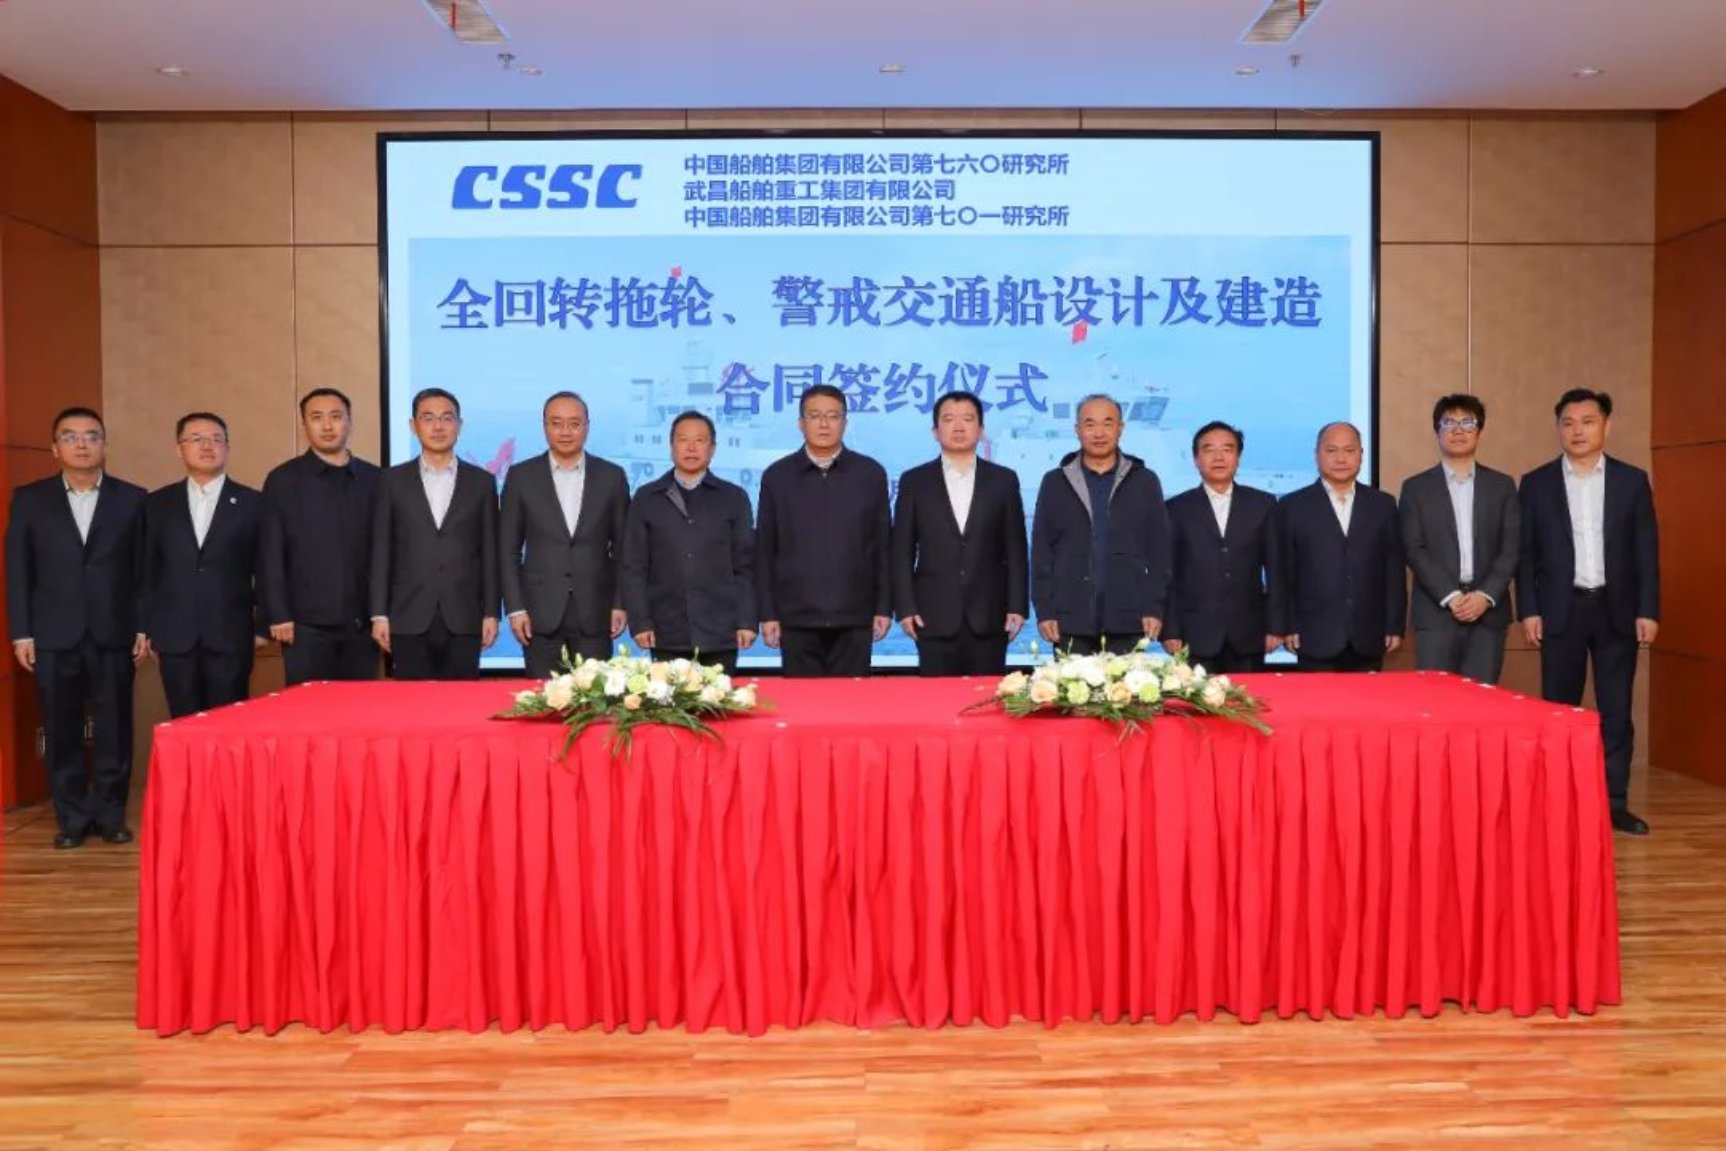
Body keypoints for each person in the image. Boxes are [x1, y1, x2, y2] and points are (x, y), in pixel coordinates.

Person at [5, 408, 149, 849]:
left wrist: (143, 626)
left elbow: (143, 571)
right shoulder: (30, 499)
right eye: (70, 437)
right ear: (55, 448)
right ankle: (71, 818)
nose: (82, 444)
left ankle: (110, 815)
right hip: (53, 634)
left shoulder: (133, 498)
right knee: (61, 728)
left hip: (114, 631)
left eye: (91, 436)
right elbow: (18, 570)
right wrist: (22, 632)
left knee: (114, 728)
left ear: (105, 445)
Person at [1518, 388, 1659, 836]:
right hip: (1561, 611)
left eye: (1588, 421)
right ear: (1558, 428)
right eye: (1568, 422)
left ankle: (1615, 803)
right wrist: (1529, 610)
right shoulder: (1536, 483)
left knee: (1616, 712)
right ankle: (1556, 802)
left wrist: (1648, 609)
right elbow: (1526, 555)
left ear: (1606, 426)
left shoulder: (1631, 481)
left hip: (1617, 610)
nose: (1577, 431)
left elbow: (1646, 551)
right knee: (1559, 712)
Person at [755, 384, 891, 676]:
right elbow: (765, 549)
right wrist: (768, 614)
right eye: (815, 416)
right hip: (796, 619)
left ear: (845, 422)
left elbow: (882, 546)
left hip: (855, 617)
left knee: (851, 701)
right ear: (800, 422)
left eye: (833, 416)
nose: (824, 424)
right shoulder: (778, 476)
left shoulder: (870, 474)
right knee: (801, 702)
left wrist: (883, 607)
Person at [891, 392, 1028, 675]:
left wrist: (1017, 605)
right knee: (936, 698)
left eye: (967, 419)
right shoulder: (914, 481)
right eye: (948, 419)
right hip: (932, 615)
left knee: (987, 696)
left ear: (981, 429)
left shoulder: (1003, 480)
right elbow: (902, 550)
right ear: (935, 431)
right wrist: (904, 607)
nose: (958, 426)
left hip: (990, 613)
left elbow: (1015, 548)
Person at [141, 412, 264, 717]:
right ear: (179, 449)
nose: (207, 446)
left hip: (231, 635)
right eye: (196, 439)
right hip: (175, 638)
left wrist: (262, 625)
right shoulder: (156, 504)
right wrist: (147, 628)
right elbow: (147, 571)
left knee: (229, 727)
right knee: (183, 724)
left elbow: (266, 569)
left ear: (228, 448)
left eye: (216, 439)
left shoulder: (254, 503)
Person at [370, 388, 499, 680]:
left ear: (459, 425)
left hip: (464, 617)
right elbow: (381, 550)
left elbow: (490, 552)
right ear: (413, 425)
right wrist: (379, 613)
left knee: (461, 702)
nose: (438, 427)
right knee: (412, 703)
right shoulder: (391, 481)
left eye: (446, 418)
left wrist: (491, 612)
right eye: (428, 418)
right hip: (407, 616)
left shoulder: (482, 482)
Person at [500, 391, 630, 676]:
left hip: (596, 612)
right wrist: (515, 608)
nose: (565, 432)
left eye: (574, 423)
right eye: (556, 423)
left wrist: (620, 603)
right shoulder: (521, 476)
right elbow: (508, 549)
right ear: (544, 426)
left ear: (587, 426)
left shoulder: (612, 476)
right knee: (542, 698)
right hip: (538, 614)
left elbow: (623, 548)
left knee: (595, 697)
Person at [1030, 394, 1171, 656]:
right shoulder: (1055, 482)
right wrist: (1045, 610)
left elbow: (1159, 552)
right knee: (1071, 684)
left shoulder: (1145, 481)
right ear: (1077, 429)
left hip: (1129, 618)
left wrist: (1154, 607)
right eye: (1090, 424)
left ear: (1120, 428)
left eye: (1107, 423)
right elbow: (1041, 552)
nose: (1099, 433)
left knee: (1128, 684)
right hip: (1069, 620)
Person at [258, 388, 382, 685]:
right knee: (306, 710)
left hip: (363, 626)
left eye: (336, 416)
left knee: (359, 709)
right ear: (304, 425)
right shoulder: (283, 479)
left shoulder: (375, 479)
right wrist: (278, 614)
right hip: (304, 628)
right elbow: (270, 552)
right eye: (317, 418)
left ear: (349, 422)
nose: (327, 426)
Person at [621, 411, 756, 675]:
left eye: (700, 440)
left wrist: (747, 620)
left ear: (712, 448)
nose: (691, 448)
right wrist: (640, 622)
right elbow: (634, 566)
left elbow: (745, 566)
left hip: (721, 629)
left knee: (720, 700)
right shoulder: (647, 498)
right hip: (665, 630)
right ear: (671, 446)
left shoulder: (734, 498)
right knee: (668, 700)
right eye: (683, 440)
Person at [1398, 394, 1519, 684]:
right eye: (1449, 423)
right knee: (1435, 700)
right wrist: (1451, 596)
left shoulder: (1502, 486)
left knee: (1482, 701)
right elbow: (1413, 548)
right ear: (1436, 431)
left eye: (1467, 423)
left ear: (1480, 432)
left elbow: (1511, 547)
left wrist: (1484, 596)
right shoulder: (1415, 488)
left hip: (1488, 615)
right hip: (1436, 613)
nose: (1458, 430)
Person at [1272, 421, 1406, 672]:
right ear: (1316, 455)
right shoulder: (1292, 506)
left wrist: (1394, 625)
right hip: (1313, 634)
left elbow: (1393, 570)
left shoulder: (1383, 505)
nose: (1341, 458)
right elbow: (1282, 573)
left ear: (1361, 454)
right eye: (1331, 451)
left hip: (1369, 634)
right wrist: (1286, 625)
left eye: (1349, 450)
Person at [1161, 420, 1279, 674]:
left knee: (1249, 699)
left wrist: (1276, 626)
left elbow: (1277, 570)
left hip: (1250, 632)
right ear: (1196, 459)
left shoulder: (1263, 504)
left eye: (1227, 449)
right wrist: (1170, 629)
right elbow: (1168, 575)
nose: (1219, 457)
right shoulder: (1175, 509)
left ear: (1238, 458)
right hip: (1194, 634)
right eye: (1209, 449)